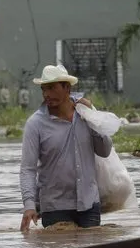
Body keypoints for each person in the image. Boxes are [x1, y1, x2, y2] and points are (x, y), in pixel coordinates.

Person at [20, 64, 113, 230]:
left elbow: (105, 151)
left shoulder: (85, 115)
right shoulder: (35, 124)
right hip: (55, 207)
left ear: (67, 88)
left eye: (52, 88)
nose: (47, 94)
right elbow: (28, 168)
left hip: (89, 205)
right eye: (44, 89)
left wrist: (93, 115)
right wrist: (29, 205)